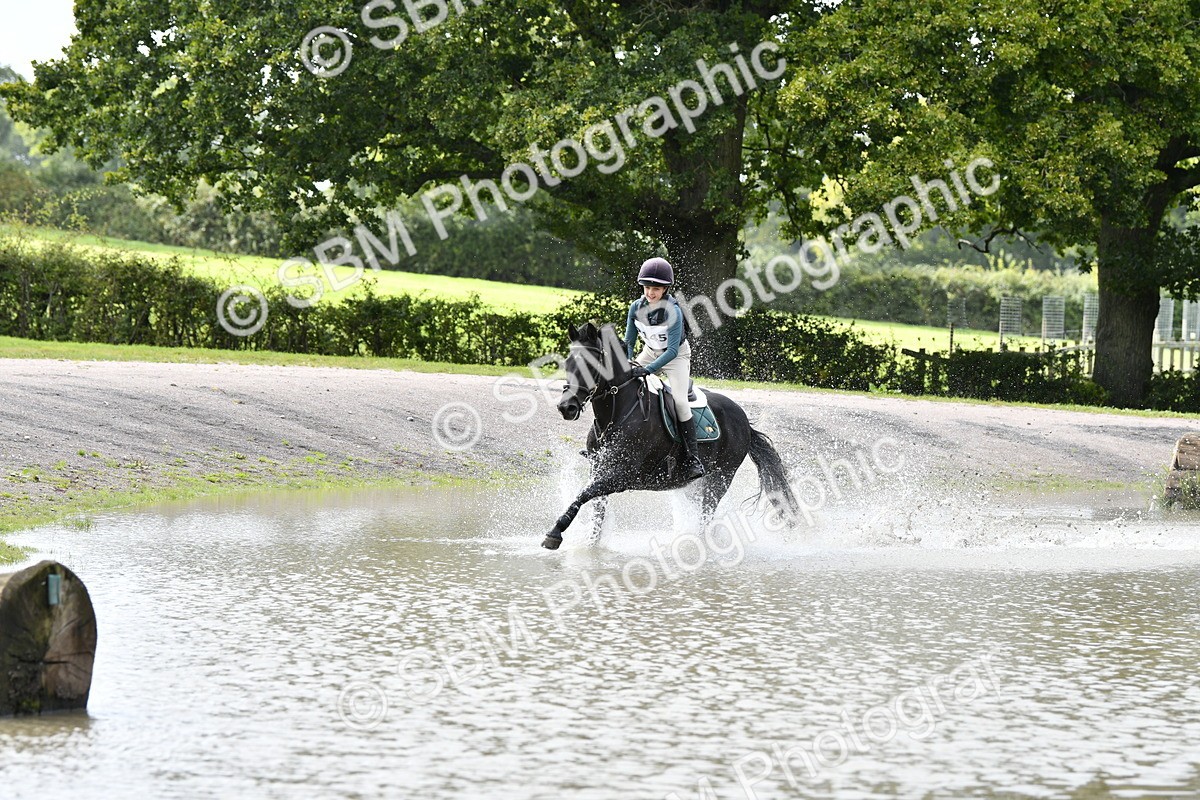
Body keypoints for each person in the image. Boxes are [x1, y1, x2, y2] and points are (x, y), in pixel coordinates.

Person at [625, 257, 705, 481]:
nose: (650, 292)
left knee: (679, 401)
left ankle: (692, 458)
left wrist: (647, 370)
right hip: (650, 351)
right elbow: (629, 341)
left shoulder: (674, 312)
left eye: (656, 289)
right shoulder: (635, 307)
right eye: (647, 287)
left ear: (665, 289)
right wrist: (628, 364)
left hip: (676, 357)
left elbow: (670, 351)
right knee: (621, 384)